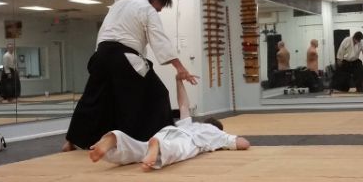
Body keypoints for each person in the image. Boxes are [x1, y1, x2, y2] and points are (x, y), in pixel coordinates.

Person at [62, 0, 198, 152]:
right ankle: (161, 139)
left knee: (94, 98)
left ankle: (72, 141)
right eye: (161, 6)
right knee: (158, 93)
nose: (160, 10)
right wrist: (180, 68)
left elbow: (105, 31)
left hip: (101, 55)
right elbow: (159, 40)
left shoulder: (119, 4)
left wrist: (102, 56)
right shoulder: (147, 9)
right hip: (124, 57)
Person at [89, 75, 250, 170]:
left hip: (168, 131)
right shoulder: (217, 134)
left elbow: (183, 105)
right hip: (187, 141)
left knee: (140, 150)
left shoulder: (191, 124)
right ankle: (157, 145)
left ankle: (117, 138)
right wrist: (227, 141)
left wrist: (178, 81)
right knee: (176, 150)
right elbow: (243, 144)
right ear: (218, 128)